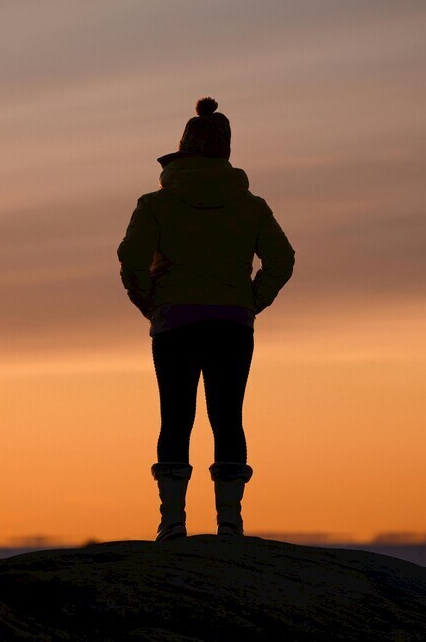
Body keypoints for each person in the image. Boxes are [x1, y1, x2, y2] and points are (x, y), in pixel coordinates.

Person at [117, 97, 295, 542]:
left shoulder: (155, 203)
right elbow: (282, 259)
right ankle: (230, 524)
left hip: (174, 321)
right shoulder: (251, 205)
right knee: (228, 417)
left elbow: (130, 259)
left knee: (175, 417)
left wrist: (149, 302)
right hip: (231, 323)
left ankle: (172, 523)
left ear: (184, 150)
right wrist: (252, 300)